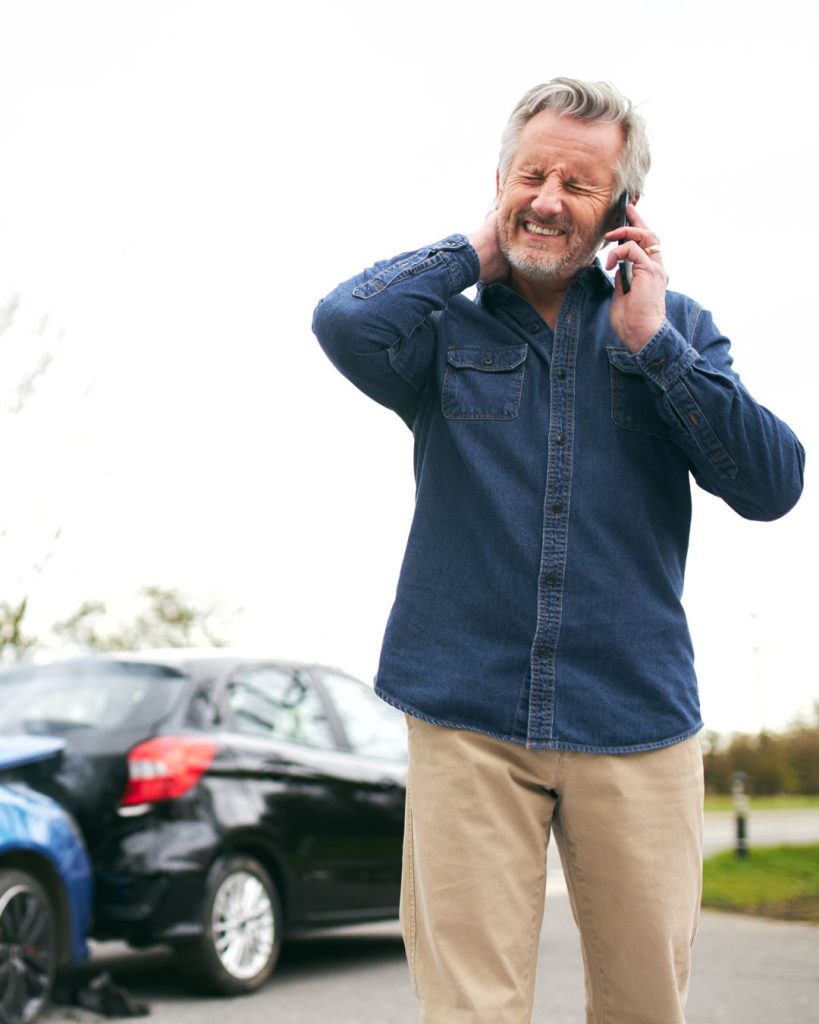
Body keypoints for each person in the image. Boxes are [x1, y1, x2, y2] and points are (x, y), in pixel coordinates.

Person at [312, 77, 805, 1024]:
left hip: (634, 718)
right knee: (468, 1011)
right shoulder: (441, 329)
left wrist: (653, 346)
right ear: (498, 180)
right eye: (530, 176)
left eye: (578, 185)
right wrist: (475, 249)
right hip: (464, 713)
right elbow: (344, 321)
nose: (546, 200)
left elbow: (772, 484)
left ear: (622, 208)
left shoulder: (674, 329)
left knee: (643, 1007)